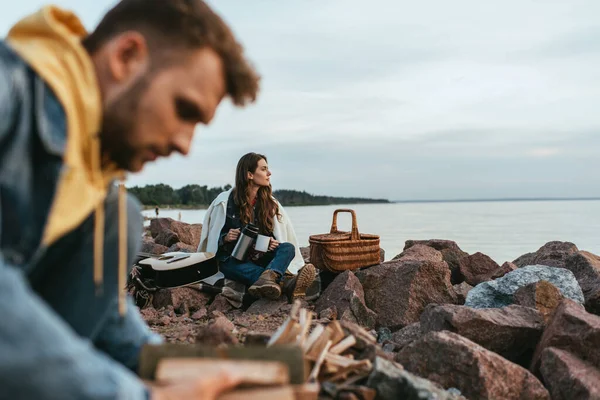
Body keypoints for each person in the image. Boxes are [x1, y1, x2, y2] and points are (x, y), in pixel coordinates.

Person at [0, 1, 259, 399]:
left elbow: (102, 314)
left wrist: (162, 364)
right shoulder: (8, 91)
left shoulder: (88, 172)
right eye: (184, 110)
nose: (184, 144)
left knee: (119, 214)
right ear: (126, 57)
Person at [198, 153, 316, 301]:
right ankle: (284, 283)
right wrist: (225, 237)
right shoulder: (225, 202)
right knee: (234, 268)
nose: (269, 173)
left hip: (259, 257)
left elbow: (274, 234)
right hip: (232, 260)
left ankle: (269, 280)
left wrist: (272, 243)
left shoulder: (269, 203)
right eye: (264, 169)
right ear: (249, 175)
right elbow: (212, 242)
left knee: (287, 248)